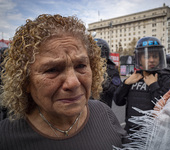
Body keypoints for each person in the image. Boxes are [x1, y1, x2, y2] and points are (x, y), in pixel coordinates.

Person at [0, 14, 128, 150]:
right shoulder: (5, 138)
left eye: (81, 66)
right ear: (25, 81)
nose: (73, 83)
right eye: (52, 70)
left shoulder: (104, 114)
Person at [113, 37, 170, 134]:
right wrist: (125, 84)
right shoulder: (135, 77)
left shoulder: (166, 80)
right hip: (131, 134)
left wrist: (153, 85)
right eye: (146, 56)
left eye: (155, 56)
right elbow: (118, 101)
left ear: (160, 58)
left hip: (154, 136)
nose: (151, 60)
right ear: (139, 59)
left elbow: (167, 111)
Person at [93, 38, 121, 108]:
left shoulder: (111, 70)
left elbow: (117, 94)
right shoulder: (86, 68)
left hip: (103, 110)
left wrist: (105, 83)